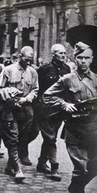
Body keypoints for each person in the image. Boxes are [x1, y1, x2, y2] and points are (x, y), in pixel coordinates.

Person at [43, 42, 97, 193]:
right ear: (75, 59)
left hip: (95, 128)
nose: (83, 61)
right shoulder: (67, 79)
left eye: (86, 58)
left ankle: (76, 186)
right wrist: (64, 104)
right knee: (80, 168)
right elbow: (47, 96)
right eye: (80, 57)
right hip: (75, 129)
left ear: (92, 59)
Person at [0, 46, 39, 182]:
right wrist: (10, 93)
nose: (28, 62)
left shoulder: (33, 72)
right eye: (26, 59)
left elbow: (35, 89)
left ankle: (10, 166)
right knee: (13, 137)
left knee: (21, 138)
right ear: (20, 57)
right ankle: (17, 169)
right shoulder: (8, 70)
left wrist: (26, 98)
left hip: (26, 110)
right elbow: (0, 88)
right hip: (10, 108)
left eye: (30, 60)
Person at [35, 44, 74, 181]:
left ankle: (41, 162)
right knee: (50, 138)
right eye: (60, 53)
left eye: (64, 53)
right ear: (53, 54)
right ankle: (54, 166)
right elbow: (38, 89)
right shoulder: (44, 69)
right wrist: (39, 106)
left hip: (59, 110)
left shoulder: (67, 69)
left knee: (51, 137)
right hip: (45, 109)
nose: (63, 55)